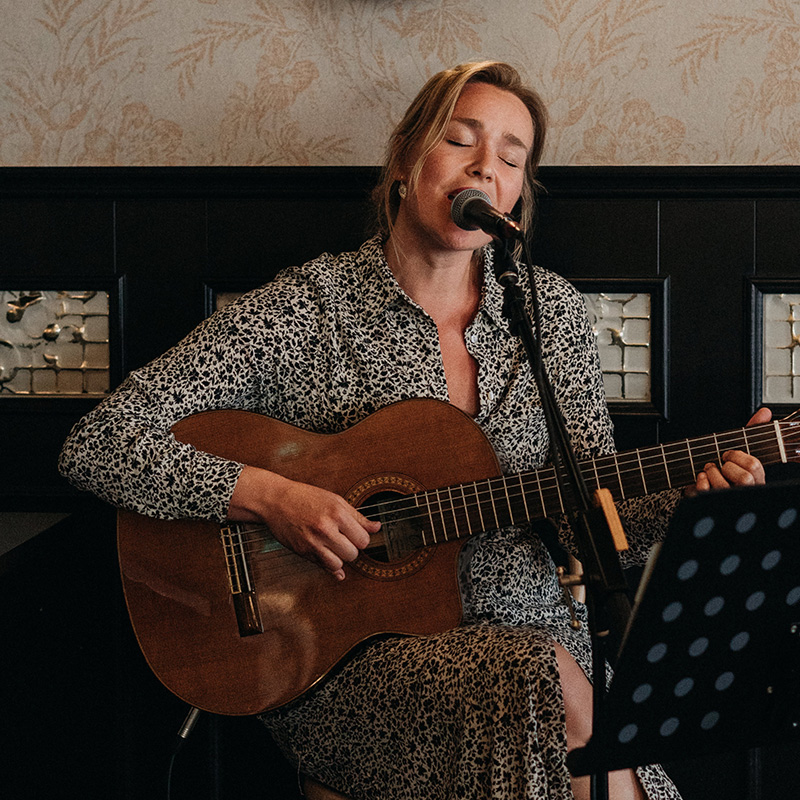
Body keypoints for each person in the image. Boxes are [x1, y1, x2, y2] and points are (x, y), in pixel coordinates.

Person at [58, 62, 767, 800]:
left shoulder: (549, 313)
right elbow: (100, 443)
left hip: (547, 645)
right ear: (405, 159)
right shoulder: (310, 308)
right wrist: (271, 497)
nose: (486, 168)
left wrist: (691, 495)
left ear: (519, 192)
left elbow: (589, 510)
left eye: (512, 158)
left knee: (544, 682)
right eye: (460, 141)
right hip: (352, 664)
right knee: (533, 680)